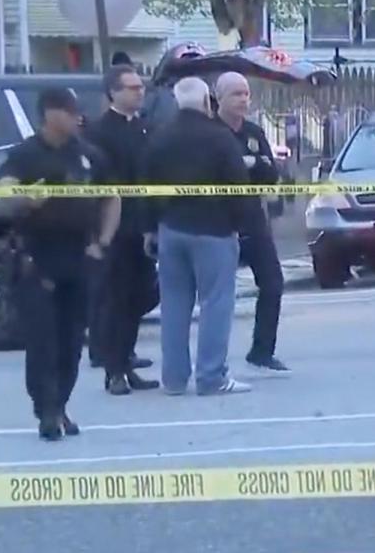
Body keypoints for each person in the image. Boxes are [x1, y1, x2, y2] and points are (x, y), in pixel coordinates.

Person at [0, 88, 119, 439]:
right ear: (49, 114)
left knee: (71, 341)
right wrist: (22, 200)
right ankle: (46, 410)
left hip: (79, 257)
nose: (77, 117)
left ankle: (61, 404)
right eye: (69, 110)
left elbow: (112, 197)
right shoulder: (25, 156)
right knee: (42, 341)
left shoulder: (89, 155)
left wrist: (102, 242)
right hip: (36, 259)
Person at [142, 77, 252, 396]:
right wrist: (241, 224)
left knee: (174, 305)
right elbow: (239, 186)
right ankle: (211, 376)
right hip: (214, 230)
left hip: (171, 229)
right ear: (207, 102)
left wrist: (150, 228)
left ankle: (174, 379)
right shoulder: (219, 137)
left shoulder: (160, 137)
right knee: (215, 303)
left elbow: (145, 184)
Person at [84, 65, 160, 395]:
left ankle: (127, 360)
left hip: (142, 225)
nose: (139, 92)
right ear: (113, 92)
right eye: (132, 87)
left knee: (141, 296)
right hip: (114, 227)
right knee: (116, 299)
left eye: (141, 87)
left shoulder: (146, 129)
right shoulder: (98, 132)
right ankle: (113, 369)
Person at [214, 71, 290, 375]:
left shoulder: (253, 133)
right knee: (217, 292)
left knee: (273, 283)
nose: (243, 100)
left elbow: (270, 174)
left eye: (246, 93)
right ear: (219, 97)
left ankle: (262, 351)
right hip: (219, 220)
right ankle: (212, 360)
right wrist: (246, 166)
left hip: (253, 218)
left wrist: (253, 163)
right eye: (236, 94)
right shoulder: (212, 132)